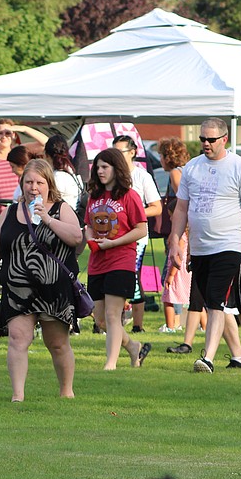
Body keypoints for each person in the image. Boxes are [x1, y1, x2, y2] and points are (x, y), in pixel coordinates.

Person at [0, 158, 82, 402]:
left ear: (49, 184)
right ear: (22, 184)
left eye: (39, 182)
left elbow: (76, 237)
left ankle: (66, 391)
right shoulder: (10, 212)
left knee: (57, 343)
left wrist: (48, 219)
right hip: (17, 287)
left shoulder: (61, 209)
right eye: (29, 182)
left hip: (53, 289)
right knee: (17, 339)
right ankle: (18, 396)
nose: (33, 187)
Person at [165, 118, 241, 373]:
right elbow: (181, 209)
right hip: (199, 246)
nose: (206, 144)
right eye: (202, 139)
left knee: (216, 301)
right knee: (214, 302)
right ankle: (239, 356)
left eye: (211, 139)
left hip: (229, 244)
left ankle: (207, 358)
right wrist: (176, 242)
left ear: (224, 139)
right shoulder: (192, 168)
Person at [84, 147, 151, 370]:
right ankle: (133, 347)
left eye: (105, 167)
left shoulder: (129, 196)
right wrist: (90, 237)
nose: (100, 171)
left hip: (121, 260)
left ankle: (110, 364)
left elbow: (141, 229)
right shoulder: (94, 196)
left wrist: (113, 243)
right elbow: (88, 225)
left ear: (116, 168)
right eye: (98, 167)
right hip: (97, 262)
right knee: (100, 319)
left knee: (114, 315)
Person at [114, 134, 162, 333]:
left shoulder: (142, 176)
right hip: (113, 235)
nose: (115, 156)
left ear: (132, 152)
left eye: (120, 151)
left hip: (136, 236)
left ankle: (137, 325)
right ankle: (113, 321)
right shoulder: (110, 175)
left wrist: (133, 214)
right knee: (114, 277)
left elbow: (156, 207)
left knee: (132, 277)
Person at [0, 119, 47, 222]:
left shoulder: (20, 152)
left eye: (7, 133)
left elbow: (46, 144)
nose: (4, 136)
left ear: (14, 135)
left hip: (19, 211)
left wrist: (24, 129)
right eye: (0, 133)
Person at [157, 137, 190, 334]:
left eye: (161, 155)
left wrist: (175, 233)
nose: (159, 159)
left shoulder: (176, 174)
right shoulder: (187, 169)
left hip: (180, 231)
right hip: (186, 231)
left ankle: (174, 322)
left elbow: (182, 203)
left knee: (172, 275)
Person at [45, 134, 84, 212]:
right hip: (74, 215)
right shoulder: (71, 172)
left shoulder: (57, 177)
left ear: (47, 156)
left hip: (62, 218)